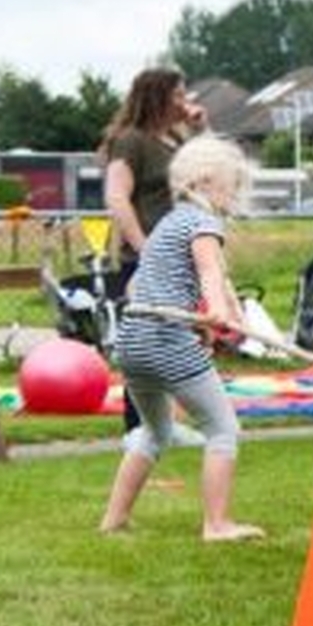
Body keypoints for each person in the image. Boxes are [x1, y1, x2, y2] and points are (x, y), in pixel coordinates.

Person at [98, 135, 267, 542]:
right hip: (165, 341)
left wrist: (204, 322)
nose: (234, 196)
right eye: (232, 186)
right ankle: (217, 524)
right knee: (223, 428)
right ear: (208, 183)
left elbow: (143, 285)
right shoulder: (204, 223)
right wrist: (219, 311)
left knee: (154, 433)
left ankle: (114, 519)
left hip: (133, 342)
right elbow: (209, 271)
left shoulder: (166, 226)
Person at [100, 67, 207, 431]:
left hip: (180, 256)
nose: (184, 101)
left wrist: (199, 129)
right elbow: (117, 197)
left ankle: (164, 425)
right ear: (157, 97)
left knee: (173, 340)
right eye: (177, 95)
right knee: (146, 343)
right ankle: (139, 429)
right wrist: (145, 249)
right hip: (146, 257)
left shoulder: (175, 141)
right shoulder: (131, 140)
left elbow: (209, 168)